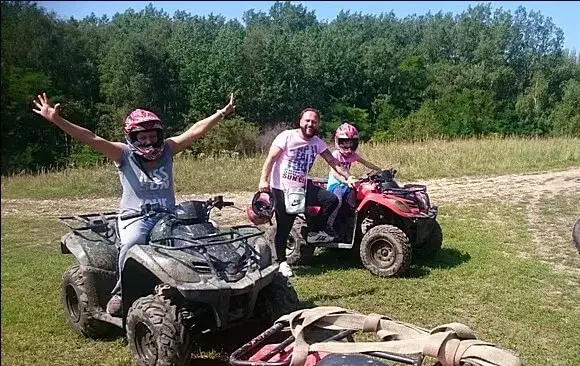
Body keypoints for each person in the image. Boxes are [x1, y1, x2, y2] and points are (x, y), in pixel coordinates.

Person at [33, 92, 237, 316]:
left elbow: (196, 131)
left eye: (153, 136)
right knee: (132, 245)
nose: (149, 142)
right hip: (137, 218)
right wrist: (57, 120)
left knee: (208, 233)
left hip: (169, 215)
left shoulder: (168, 149)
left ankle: (219, 281)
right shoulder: (123, 154)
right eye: (143, 138)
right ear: (134, 138)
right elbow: (91, 138)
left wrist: (222, 113)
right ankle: (121, 292)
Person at [257, 108, 357, 278]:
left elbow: (333, 161)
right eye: (307, 121)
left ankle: (314, 232)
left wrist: (349, 177)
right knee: (285, 226)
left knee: (331, 200)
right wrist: (263, 181)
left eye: (314, 121)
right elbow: (271, 159)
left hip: (302, 186)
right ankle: (281, 262)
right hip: (282, 188)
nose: (310, 124)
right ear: (300, 121)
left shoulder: (317, 142)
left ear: (317, 124)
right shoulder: (287, 136)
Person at [324, 122, 382, 233]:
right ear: (338, 142)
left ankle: (350, 224)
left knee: (357, 199)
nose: (348, 148)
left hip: (348, 184)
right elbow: (335, 172)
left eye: (351, 144)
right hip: (335, 184)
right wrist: (345, 181)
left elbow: (366, 163)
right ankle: (328, 225)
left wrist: (381, 170)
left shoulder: (352, 155)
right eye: (345, 143)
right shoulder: (336, 154)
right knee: (338, 200)